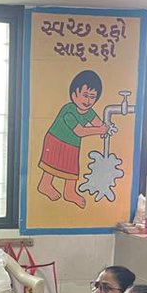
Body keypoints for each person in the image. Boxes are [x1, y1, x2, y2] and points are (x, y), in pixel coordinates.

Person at [36, 70, 109, 209]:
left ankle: (69, 192)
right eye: (85, 95)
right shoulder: (68, 111)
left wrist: (106, 128)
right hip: (55, 141)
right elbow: (80, 131)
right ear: (74, 95)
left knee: (71, 167)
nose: (88, 101)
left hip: (72, 146)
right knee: (51, 165)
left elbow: (98, 123)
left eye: (92, 97)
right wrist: (99, 130)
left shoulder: (89, 112)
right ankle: (45, 184)